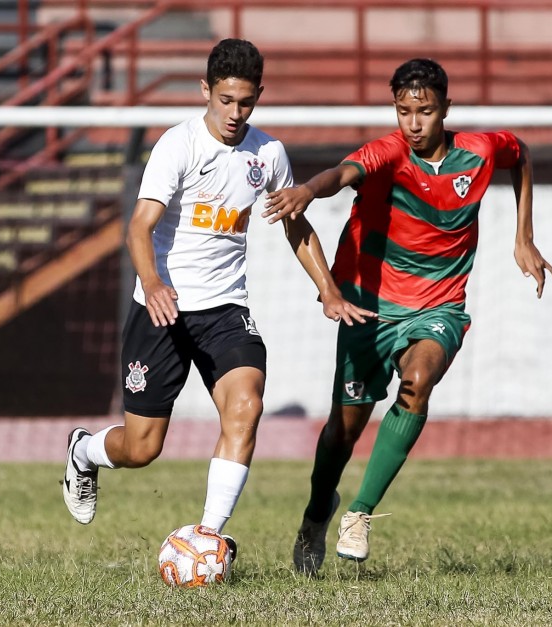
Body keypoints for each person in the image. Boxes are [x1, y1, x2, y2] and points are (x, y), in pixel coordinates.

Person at [61, 39, 372, 556]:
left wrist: (328, 291)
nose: (234, 113)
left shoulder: (268, 153)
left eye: (245, 102)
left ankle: (208, 538)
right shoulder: (176, 146)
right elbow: (139, 229)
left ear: (259, 97)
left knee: (246, 406)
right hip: (161, 310)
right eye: (225, 100)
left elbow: (296, 226)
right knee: (142, 449)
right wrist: (155, 283)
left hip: (226, 311)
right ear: (205, 90)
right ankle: (84, 452)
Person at [261, 58, 552, 575]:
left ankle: (360, 513)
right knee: (342, 434)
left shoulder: (480, 152)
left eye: (424, 112)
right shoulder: (388, 153)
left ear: (446, 108)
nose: (413, 124)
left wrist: (523, 235)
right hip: (368, 306)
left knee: (418, 381)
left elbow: (522, 154)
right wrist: (308, 189)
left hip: (439, 304)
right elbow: (342, 174)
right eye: (403, 112)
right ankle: (315, 515)